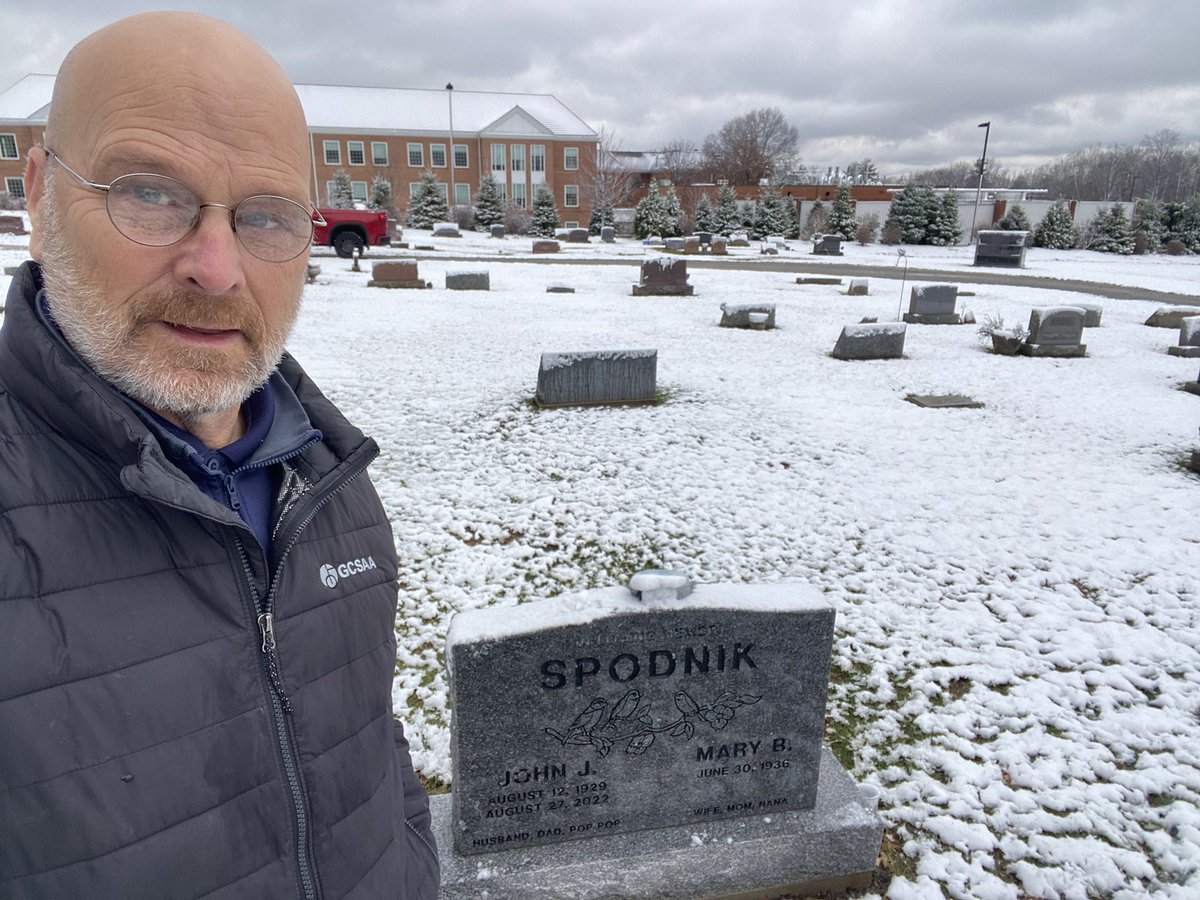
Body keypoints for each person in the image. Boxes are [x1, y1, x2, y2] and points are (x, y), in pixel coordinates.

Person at [0, 12, 438, 899]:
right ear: (40, 199)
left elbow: (370, 744)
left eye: (265, 217)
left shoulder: (327, 477)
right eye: (151, 193)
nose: (217, 267)